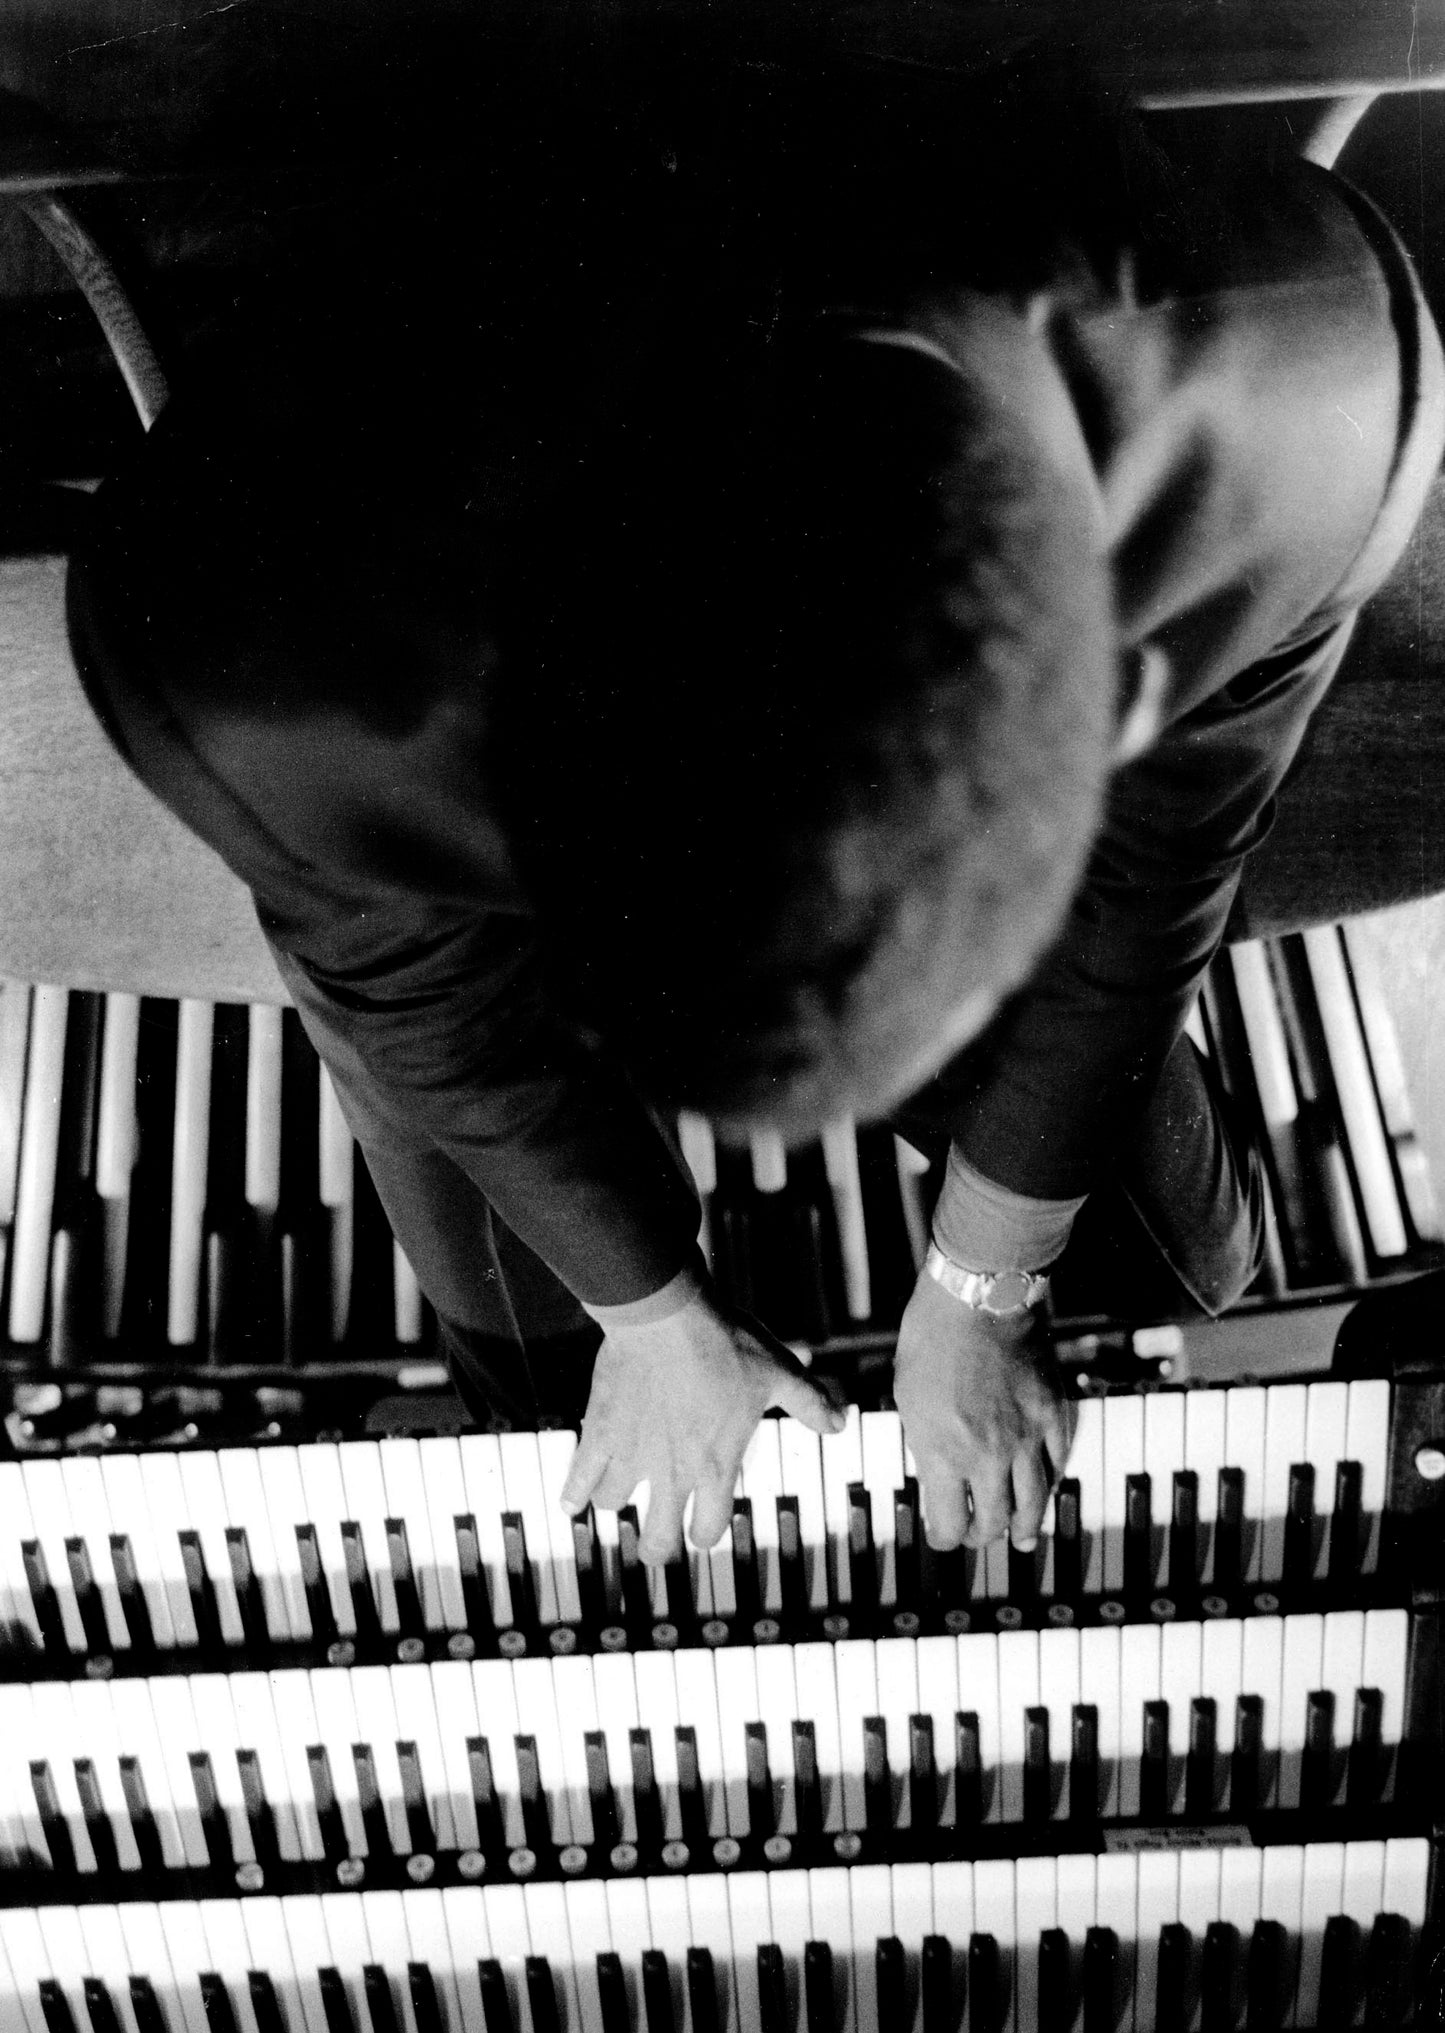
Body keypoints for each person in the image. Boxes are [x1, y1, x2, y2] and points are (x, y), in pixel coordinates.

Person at [64, 63, 1445, 1566]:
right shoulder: (264, 662)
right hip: (417, 302)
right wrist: (645, 1314)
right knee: (525, 1333)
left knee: (1174, 1248)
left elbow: (1161, 863)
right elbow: (416, 995)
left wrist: (985, 1279)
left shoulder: (1302, 416)